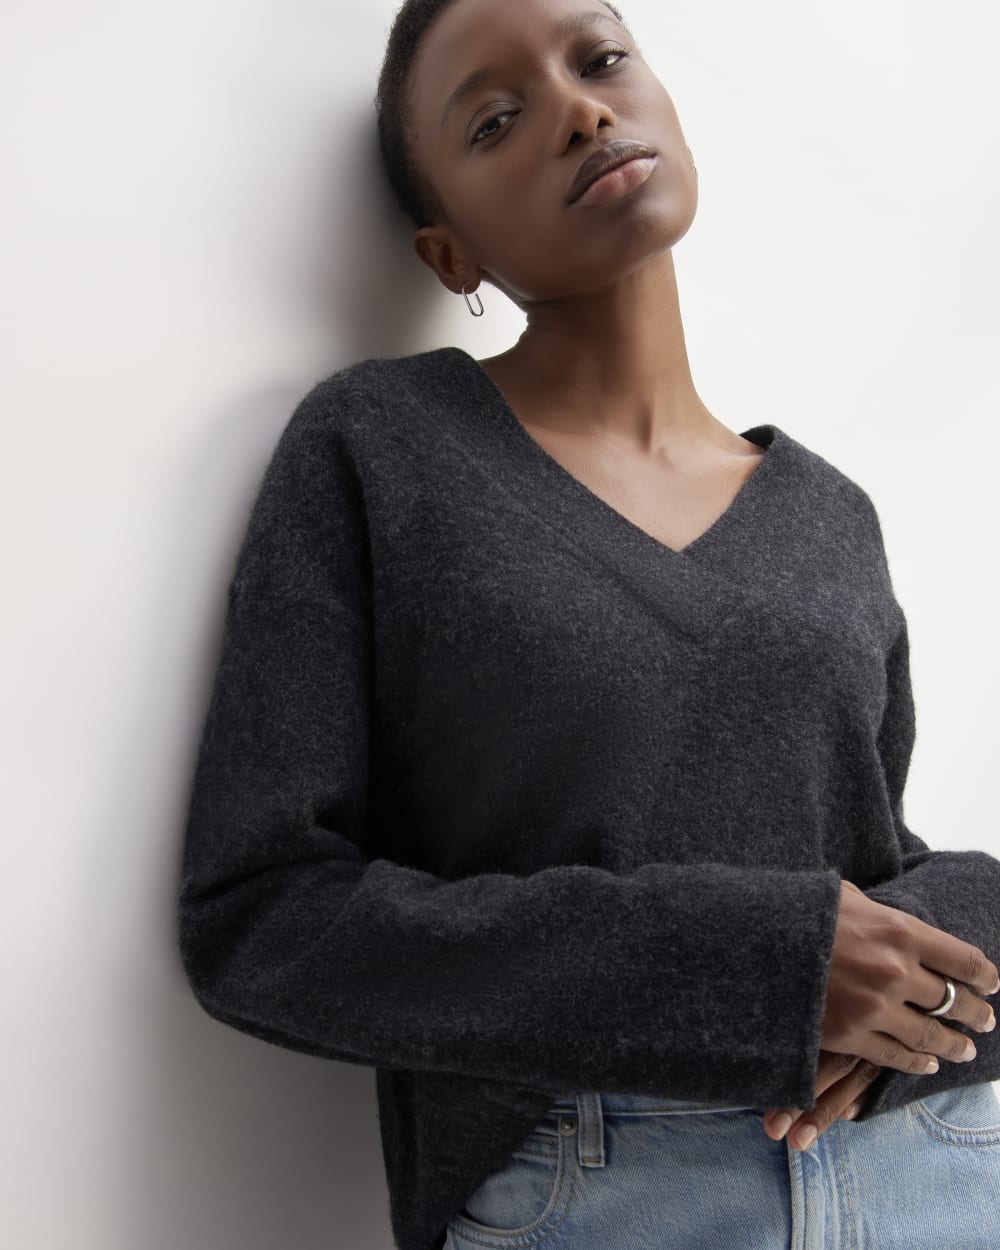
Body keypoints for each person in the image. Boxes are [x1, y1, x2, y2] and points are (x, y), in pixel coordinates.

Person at [177, 1, 1000, 1247]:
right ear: (450, 254)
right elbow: (261, 918)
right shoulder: (381, 450)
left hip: (932, 1162)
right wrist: (743, 967)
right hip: (602, 1181)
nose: (578, 111)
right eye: (496, 121)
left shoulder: (831, 513)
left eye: (601, 59)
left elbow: (872, 876)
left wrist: (954, 949)